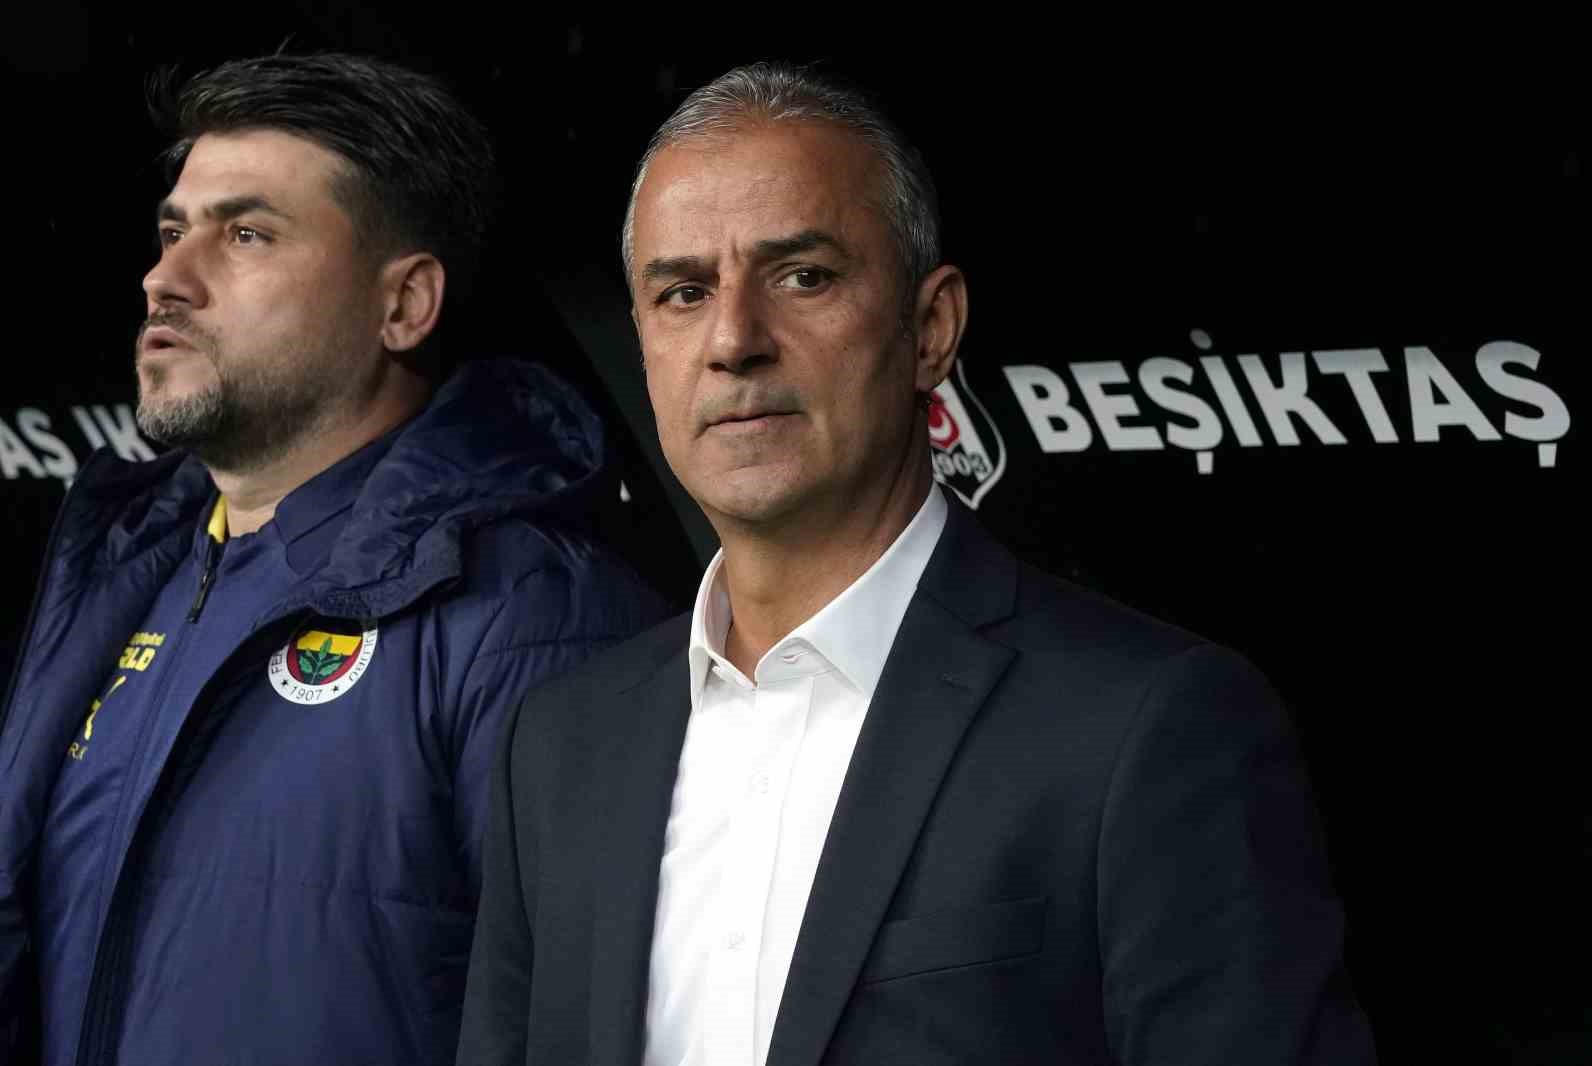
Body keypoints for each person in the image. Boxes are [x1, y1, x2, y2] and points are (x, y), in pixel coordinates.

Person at [458, 61, 1378, 1066]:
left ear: (931, 328)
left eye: (803, 276)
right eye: (682, 293)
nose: (733, 340)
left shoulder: (1150, 727)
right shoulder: (560, 746)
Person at [0, 52, 670, 1065]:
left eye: (246, 235)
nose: (165, 279)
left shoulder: (532, 615)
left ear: (404, 305)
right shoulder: (117, 579)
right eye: (173, 233)